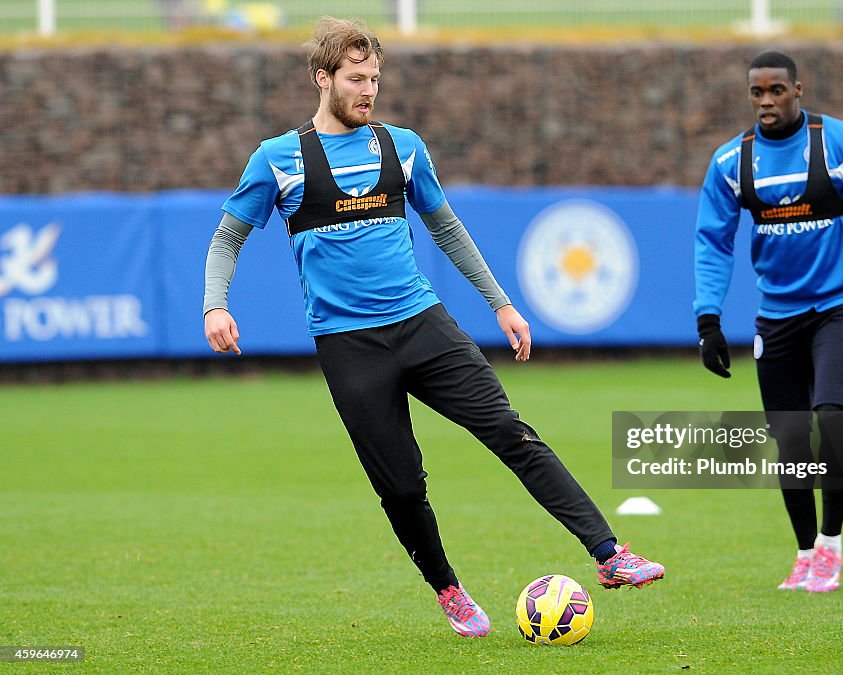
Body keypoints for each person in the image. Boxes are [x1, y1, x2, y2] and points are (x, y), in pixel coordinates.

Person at [203, 17, 664, 637]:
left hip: (425, 327)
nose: (369, 91)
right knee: (401, 487)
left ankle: (609, 554)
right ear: (323, 78)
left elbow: (446, 229)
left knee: (511, 432)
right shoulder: (279, 159)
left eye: (375, 78)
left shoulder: (402, 147)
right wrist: (215, 304)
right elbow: (228, 237)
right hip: (349, 347)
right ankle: (448, 589)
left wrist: (500, 303)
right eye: (356, 79)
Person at [693, 51, 843, 593]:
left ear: (799, 89)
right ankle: (803, 554)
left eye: (776, 90)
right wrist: (708, 319)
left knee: (834, 418)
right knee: (791, 440)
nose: (766, 102)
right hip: (777, 315)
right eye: (757, 93)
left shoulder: (842, 143)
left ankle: (832, 546)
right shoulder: (732, 162)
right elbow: (713, 243)